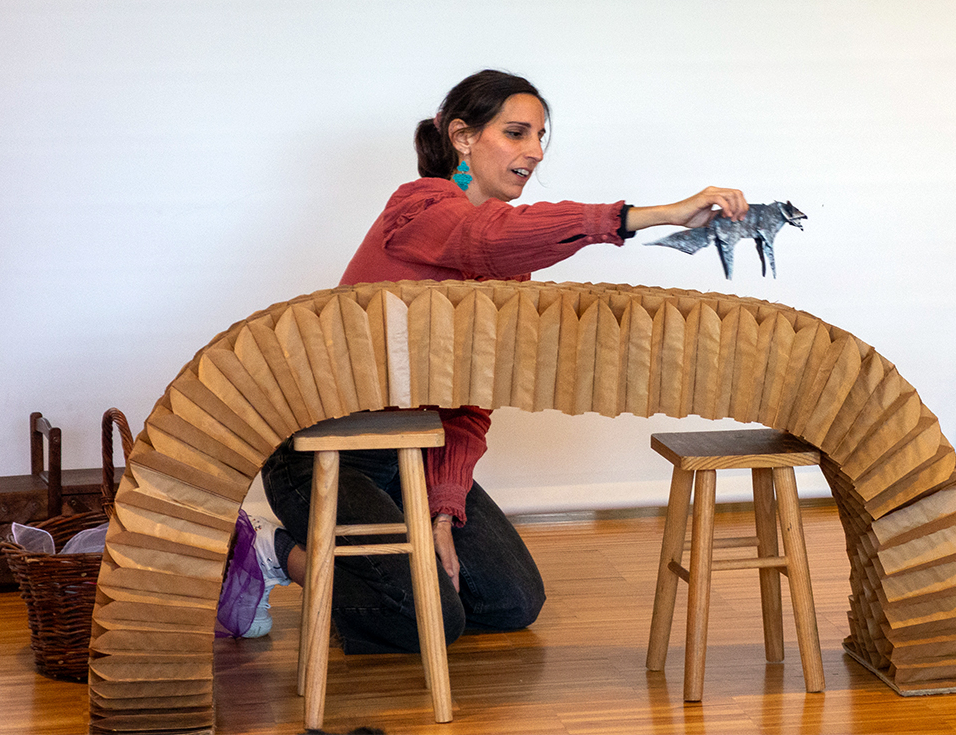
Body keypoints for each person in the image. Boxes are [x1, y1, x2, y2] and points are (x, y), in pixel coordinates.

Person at [232, 69, 748, 652]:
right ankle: (271, 554)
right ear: (463, 137)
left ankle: (400, 571)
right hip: (327, 456)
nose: (534, 151)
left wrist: (442, 515)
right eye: (517, 132)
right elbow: (486, 236)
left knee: (512, 603)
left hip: (417, 461)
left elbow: (468, 408)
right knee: (428, 621)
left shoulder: (510, 264)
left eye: (541, 136)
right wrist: (655, 214)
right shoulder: (418, 209)